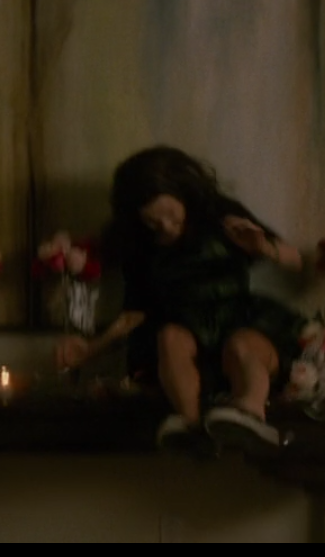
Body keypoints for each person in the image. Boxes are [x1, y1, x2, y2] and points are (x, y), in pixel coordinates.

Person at [54, 146, 309, 457]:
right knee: (169, 337)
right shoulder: (140, 247)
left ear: (184, 193)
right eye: (153, 223)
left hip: (238, 316)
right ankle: (189, 424)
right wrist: (91, 349)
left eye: (171, 215)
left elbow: (296, 260)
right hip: (186, 332)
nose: (166, 226)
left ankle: (251, 412)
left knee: (242, 346)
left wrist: (265, 248)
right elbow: (133, 314)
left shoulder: (220, 215)